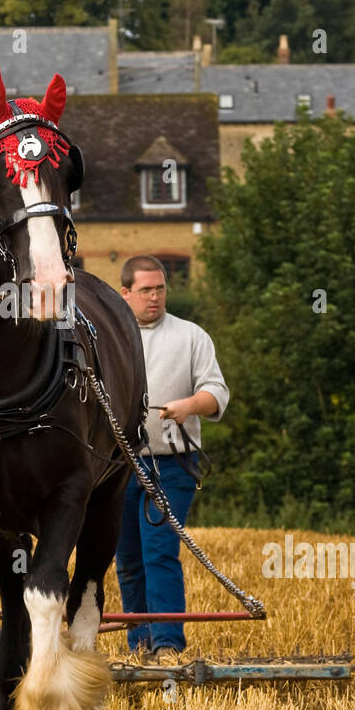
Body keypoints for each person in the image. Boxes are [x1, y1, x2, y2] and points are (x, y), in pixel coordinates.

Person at [116, 255, 229, 664]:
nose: (155, 297)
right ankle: (140, 648)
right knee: (127, 559)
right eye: (146, 290)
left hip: (173, 466)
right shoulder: (108, 336)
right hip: (119, 467)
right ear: (125, 292)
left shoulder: (191, 336)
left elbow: (217, 393)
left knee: (159, 551)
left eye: (160, 288)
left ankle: (167, 647)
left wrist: (189, 405)